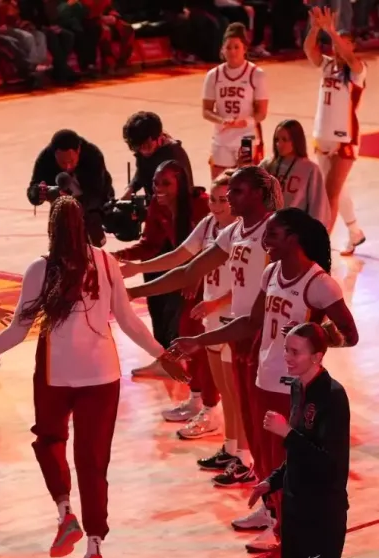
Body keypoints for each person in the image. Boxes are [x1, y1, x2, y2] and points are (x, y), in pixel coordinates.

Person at [0, 197, 187, 558]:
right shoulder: (106, 263)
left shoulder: (41, 269)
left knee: (49, 442)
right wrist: (162, 354)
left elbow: (17, 330)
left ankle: (65, 514)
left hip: (58, 372)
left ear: (52, 230)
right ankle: (93, 552)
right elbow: (127, 322)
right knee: (93, 463)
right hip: (101, 374)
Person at [173, 209, 359, 558]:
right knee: (270, 468)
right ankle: (278, 533)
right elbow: (251, 323)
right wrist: (200, 340)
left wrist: (312, 348)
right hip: (263, 379)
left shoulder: (319, 284)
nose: (265, 241)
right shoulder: (271, 272)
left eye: (272, 235)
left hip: (292, 392)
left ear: (292, 238)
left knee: (293, 479)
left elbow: (349, 334)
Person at [128, 166, 280, 493]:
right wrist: (131, 292)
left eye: (235, 194)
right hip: (234, 332)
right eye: (223, 195)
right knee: (237, 402)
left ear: (255, 194)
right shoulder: (233, 232)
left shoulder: (272, 230)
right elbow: (187, 271)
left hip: (259, 336)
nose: (225, 202)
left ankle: (269, 490)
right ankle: (245, 462)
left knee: (258, 414)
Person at [247, 323, 350, 558]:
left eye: (295, 352)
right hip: (294, 508)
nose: (286, 357)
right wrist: (272, 481)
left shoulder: (333, 397)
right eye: (286, 350)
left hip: (322, 514)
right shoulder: (296, 389)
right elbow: (298, 458)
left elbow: (329, 464)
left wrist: (286, 433)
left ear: (317, 357)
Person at [120, 173, 244, 452]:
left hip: (234, 317)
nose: (216, 205)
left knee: (233, 390)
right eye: (213, 199)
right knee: (212, 371)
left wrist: (216, 302)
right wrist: (139, 270)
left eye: (223, 200)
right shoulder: (210, 225)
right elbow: (179, 260)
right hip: (212, 313)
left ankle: (239, 450)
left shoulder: (244, 234)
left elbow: (252, 283)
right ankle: (228, 443)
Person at [113, 161, 209, 380]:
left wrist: (197, 275)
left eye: (166, 183)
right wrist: (120, 256)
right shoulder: (158, 204)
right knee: (178, 322)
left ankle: (197, 384)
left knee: (191, 326)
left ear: (181, 183)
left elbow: (213, 248)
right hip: (187, 272)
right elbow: (151, 244)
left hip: (211, 274)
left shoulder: (202, 205)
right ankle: (174, 368)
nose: (159, 189)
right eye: (156, 183)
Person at [304, 7, 366, 254]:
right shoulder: (328, 65)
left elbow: (350, 57)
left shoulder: (357, 70)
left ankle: (319, 250)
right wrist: (316, 28)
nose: (341, 48)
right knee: (338, 189)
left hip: (345, 139)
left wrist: (331, 30)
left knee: (329, 194)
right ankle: (355, 232)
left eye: (346, 44)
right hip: (322, 135)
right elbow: (309, 50)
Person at [202, 22, 269, 179]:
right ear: (222, 50)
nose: (232, 51)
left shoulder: (257, 74)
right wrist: (222, 120)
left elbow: (262, 113)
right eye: (228, 47)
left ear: (244, 49)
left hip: (247, 138)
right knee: (219, 187)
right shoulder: (213, 75)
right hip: (222, 138)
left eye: (236, 47)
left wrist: (245, 121)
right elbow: (206, 111)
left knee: (247, 186)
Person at [26, 129, 115, 247]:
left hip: (91, 206)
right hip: (63, 209)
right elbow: (32, 191)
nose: (68, 167)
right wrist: (38, 193)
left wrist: (71, 204)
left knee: (93, 244)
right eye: (63, 163)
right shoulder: (45, 159)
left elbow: (96, 195)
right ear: (54, 154)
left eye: (71, 161)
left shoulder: (93, 155)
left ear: (78, 151)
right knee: (59, 245)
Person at [261, 120, 330, 225]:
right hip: (266, 227)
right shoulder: (267, 164)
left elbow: (318, 206)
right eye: (277, 139)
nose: (279, 144)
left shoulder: (310, 169)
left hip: (293, 230)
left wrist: (314, 234)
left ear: (296, 140)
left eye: (285, 140)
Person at [121, 111, 194, 199]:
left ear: (159, 137)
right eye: (138, 147)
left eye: (147, 146)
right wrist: (131, 188)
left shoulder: (174, 155)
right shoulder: (143, 148)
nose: (143, 151)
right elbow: (142, 172)